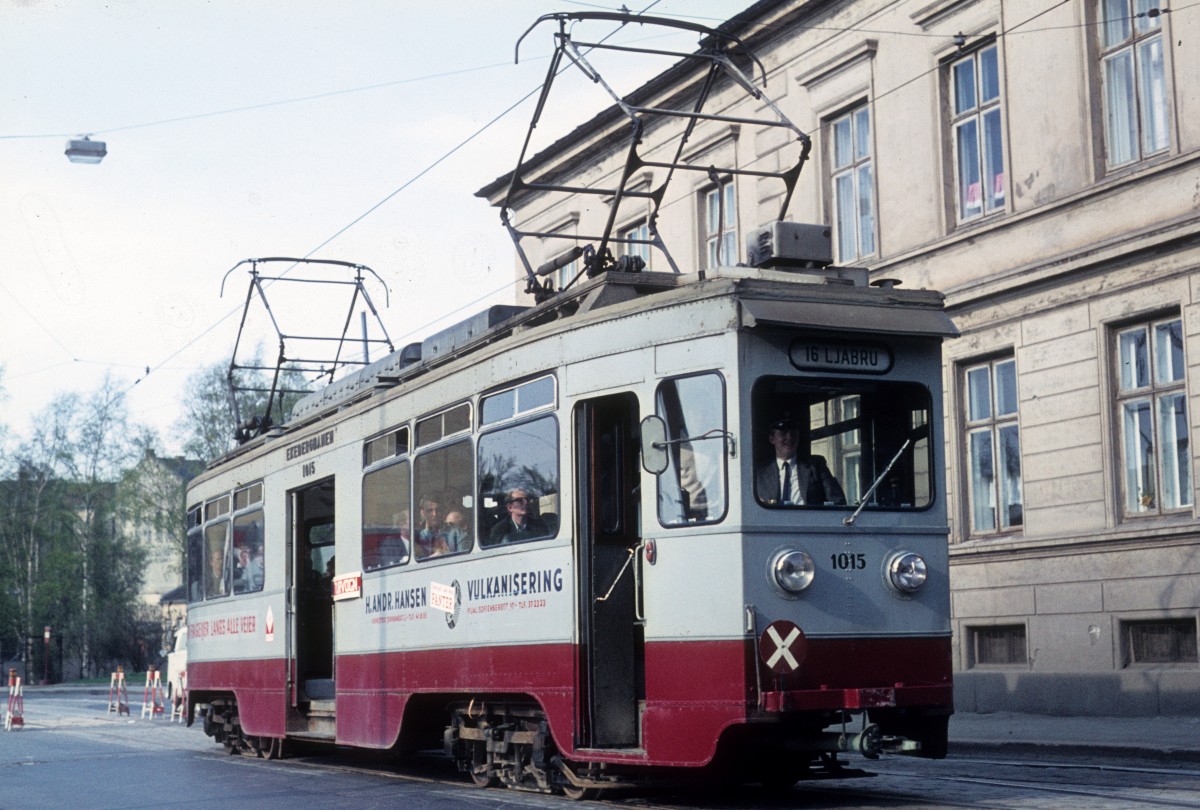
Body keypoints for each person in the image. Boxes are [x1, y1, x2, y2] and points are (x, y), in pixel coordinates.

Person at [755, 415, 846, 506]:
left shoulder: (816, 465)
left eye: (793, 433)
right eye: (783, 433)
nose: (789, 437)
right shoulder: (760, 473)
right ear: (772, 439)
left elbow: (837, 501)